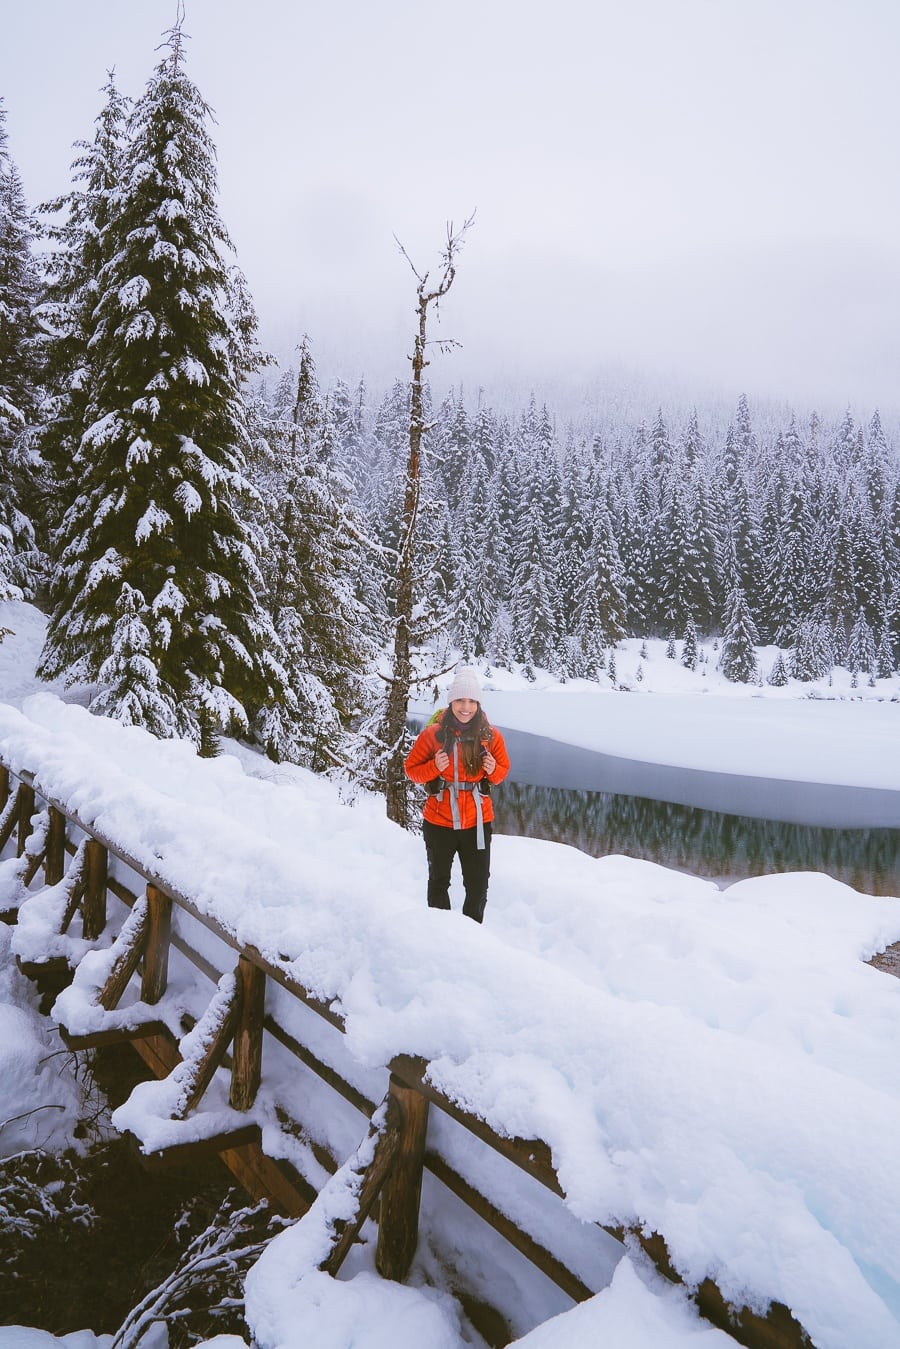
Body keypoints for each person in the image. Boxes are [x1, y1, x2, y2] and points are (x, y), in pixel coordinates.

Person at [404, 667, 510, 922]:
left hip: (477, 822)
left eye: (472, 701)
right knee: (439, 882)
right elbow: (411, 770)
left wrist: (494, 769)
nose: (466, 707)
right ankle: (441, 935)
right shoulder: (433, 735)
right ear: (451, 702)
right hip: (439, 821)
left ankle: (470, 939)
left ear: (478, 704)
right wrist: (434, 767)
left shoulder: (491, 736)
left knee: (478, 886)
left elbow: (501, 773)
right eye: (461, 700)